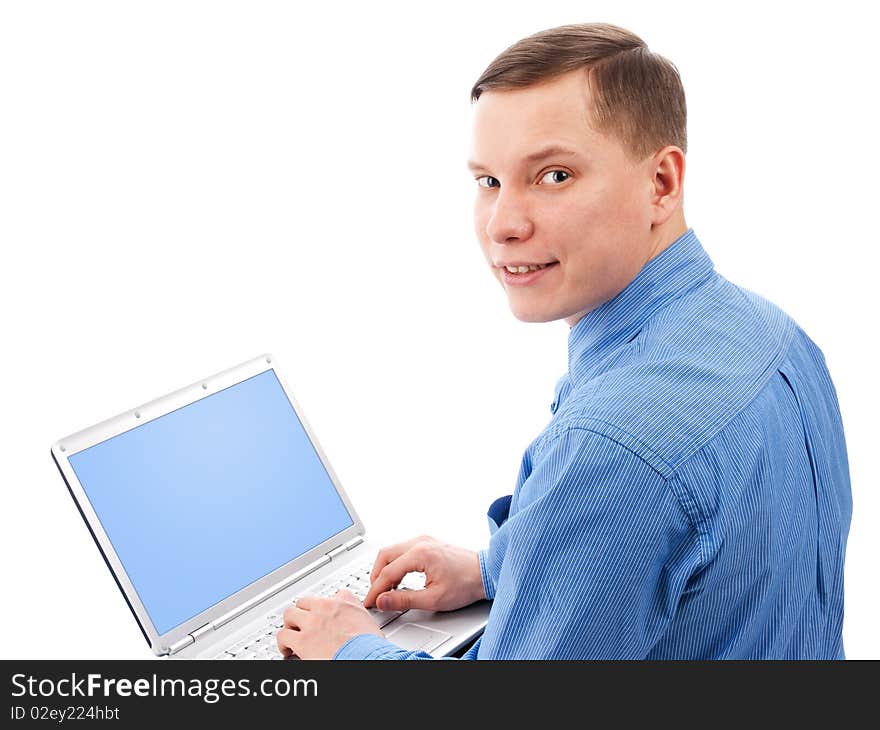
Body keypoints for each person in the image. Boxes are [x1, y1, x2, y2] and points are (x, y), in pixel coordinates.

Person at [276, 22, 852, 660]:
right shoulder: (774, 333)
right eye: (488, 181)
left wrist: (350, 650)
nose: (503, 224)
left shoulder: (610, 446)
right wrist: (499, 568)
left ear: (660, 183)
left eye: (553, 176)